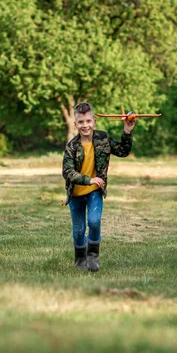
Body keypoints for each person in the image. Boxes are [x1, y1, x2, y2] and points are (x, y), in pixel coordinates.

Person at [61, 102, 135, 271]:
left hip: (95, 191)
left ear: (94, 121)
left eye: (88, 121)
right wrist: (89, 180)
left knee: (94, 222)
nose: (85, 125)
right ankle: (80, 259)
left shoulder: (103, 139)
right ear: (75, 124)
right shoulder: (72, 146)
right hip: (76, 194)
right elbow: (67, 171)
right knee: (79, 230)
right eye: (81, 122)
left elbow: (123, 151)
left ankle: (93, 256)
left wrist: (127, 131)